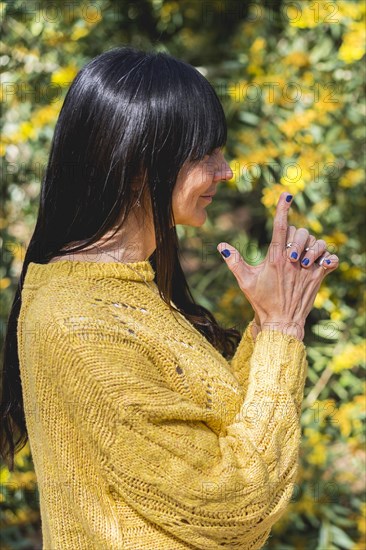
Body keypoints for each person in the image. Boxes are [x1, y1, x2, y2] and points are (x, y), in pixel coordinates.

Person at [0, 45, 338, 549]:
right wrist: (283, 331)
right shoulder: (82, 324)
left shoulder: (118, 294)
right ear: (141, 163)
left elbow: (218, 438)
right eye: (206, 154)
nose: (225, 172)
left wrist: (272, 323)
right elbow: (234, 503)